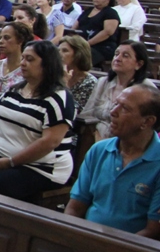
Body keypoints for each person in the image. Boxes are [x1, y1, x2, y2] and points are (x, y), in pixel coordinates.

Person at [0, 41, 76, 202]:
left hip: (40, 168)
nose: (22, 63)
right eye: (23, 58)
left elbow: (50, 141)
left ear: (47, 64)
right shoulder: (14, 91)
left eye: (30, 59)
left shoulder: (59, 98)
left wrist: (11, 162)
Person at [66, 84, 160, 239]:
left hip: (130, 251)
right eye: (116, 104)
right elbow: (75, 208)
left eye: (125, 108)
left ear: (147, 121)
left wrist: (110, 251)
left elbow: (152, 231)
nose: (112, 112)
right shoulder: (99, 150)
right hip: (86, 241)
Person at [83, 40, 150, 139]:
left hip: (127, 141)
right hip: (95, 137)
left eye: (125, 56)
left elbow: (141, 125)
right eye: (116, 54)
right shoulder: (103, 82)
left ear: (139, 64)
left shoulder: (146, 89)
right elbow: (87, 114)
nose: (118, 59)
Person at [75, 0, 120, 67]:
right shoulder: (87, 11)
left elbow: (107, 32)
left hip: (102, 47)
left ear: (108, 0)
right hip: (82, 45)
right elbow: (74, 28)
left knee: (78, 57)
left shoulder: (111, 12)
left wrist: (87, 44)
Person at [0, 22, 34, 95]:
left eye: (6, 38)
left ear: (20, 41)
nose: (1, 41)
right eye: (0, 38)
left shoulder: (26, 69)